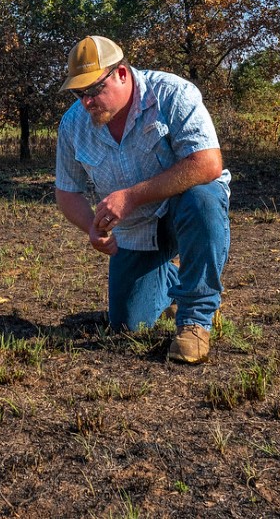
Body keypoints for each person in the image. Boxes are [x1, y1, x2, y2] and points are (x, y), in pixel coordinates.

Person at [54, 36, 230, 363]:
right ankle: (181, 280)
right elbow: (67, 190)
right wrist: (91, 226)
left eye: (93, 90)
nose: (86, 103)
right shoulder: (73, 125)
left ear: (121, 73)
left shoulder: (173, 94)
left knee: (204, 196)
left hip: (184, 214)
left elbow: (208, 163)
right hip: (136, 231)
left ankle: (195, 319)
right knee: (128, 324)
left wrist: (132, 197)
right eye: (79, 94)